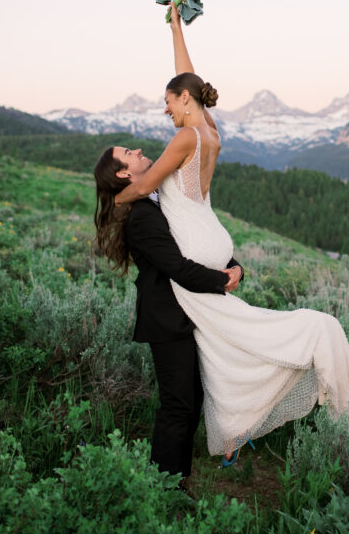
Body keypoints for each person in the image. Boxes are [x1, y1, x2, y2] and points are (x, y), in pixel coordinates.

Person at [93, 3, 349, 464]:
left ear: (185, 101)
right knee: (223, 365)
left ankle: (229, 427)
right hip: (198, 273)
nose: (165, 109)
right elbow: (189, 82)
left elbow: (141, 183)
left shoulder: (185, 139)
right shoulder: (209, 130)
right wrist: (176, 27)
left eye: (169, 100)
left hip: (201, 273)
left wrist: (112, 198)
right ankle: (195, 456)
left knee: (232, 360)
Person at [93, 148, 243, 483]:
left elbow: (200, 240)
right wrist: (223, 280)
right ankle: (165, 488)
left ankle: (178, 478)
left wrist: (235, 267)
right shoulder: (141, 216)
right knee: (178, 406)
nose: (140, 151)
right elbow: (176, 267)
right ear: (123, 174)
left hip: (192, 311)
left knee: (193, 400)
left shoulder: (161, 197)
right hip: (168, 319)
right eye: (130, 153)